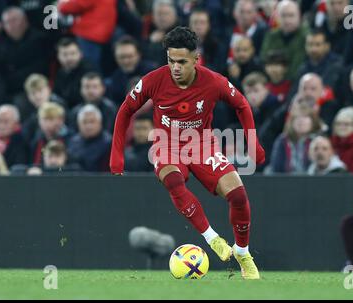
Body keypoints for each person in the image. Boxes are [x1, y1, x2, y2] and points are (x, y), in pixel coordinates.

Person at [110, 27, 265, 279]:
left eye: (182, 61)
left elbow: (242, 105)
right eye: (171, 61)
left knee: (238, 195)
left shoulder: (213, 81)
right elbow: (125, 110)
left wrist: (253, 143)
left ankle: (243, 253)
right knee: (173, 180)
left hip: (202, 145)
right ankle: (212, 238)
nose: (175, 67)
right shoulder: (153, 81)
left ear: (196, 59)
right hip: (166, 145)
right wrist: (116, 156)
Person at [268, 101, 323, 173]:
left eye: (305, 117)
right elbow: (276, 167)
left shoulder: (320, 141)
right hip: (285, 181)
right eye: (297, 117)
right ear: (291, 122)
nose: (301, 120)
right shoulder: (282, 140)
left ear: (313, 121)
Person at [67, 104, 112, 172]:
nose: (88, 126)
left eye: (92, 121)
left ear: (100, 123)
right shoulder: (72, 142)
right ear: (78, 124)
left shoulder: (109, 143)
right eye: (84, 122)